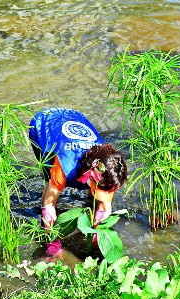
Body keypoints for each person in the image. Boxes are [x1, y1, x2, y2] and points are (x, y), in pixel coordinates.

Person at [29, 108, 127, 256]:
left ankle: (90, 198)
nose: (108, 193)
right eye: (104, 189)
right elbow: (48, 205)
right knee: (51, 184)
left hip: (76, 116)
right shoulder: (63, 166)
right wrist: (52, 241)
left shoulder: (107, 163)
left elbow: (105, 206)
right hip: (44, 122)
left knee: (96, 198)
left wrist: (98, 232)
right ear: (90, 174)